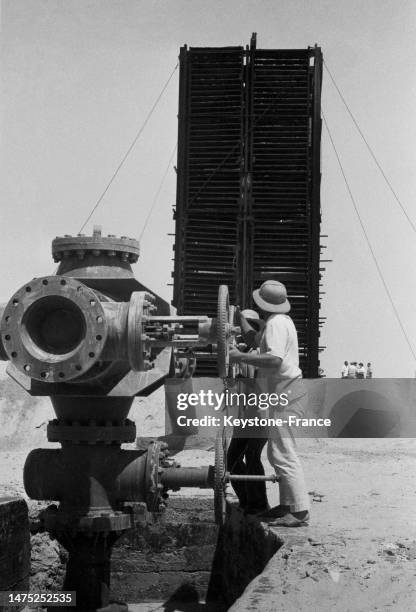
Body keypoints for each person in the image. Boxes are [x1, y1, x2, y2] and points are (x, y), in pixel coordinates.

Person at [229, 280, 310, 527]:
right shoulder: (279, 323)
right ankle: (287, 505)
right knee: (277, 453)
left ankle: (299, 512)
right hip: (284, 393)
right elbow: (255, 338)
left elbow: (274, 360)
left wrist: (239, 356)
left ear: (261, 302)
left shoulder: (275, 324)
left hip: (286, 393)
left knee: (284, 452)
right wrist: (239, 316)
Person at [226, 309, 268, 515]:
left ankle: (258, 504)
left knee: (252, 456)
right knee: (232, 459)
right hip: (245, 416)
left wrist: (238, 355)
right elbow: (233, 382)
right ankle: (247, 500)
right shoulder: (246, 352)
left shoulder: (257, 354)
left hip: (260, 414)